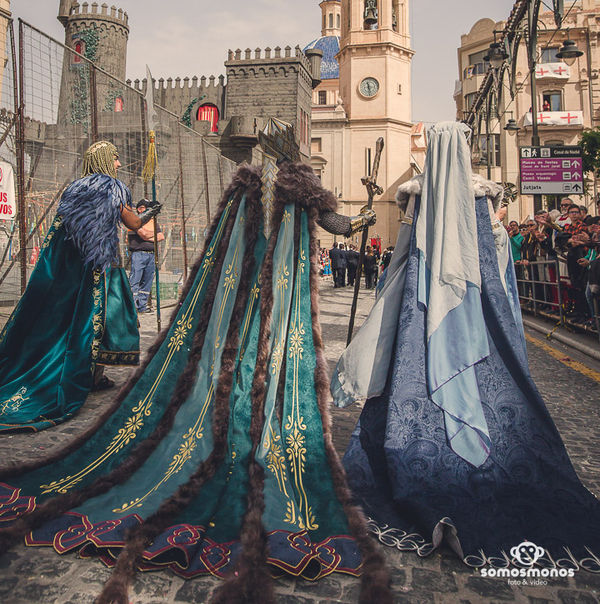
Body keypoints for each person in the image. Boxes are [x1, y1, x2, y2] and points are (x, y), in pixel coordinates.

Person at [0, 118, 389, 604]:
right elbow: (332, 223)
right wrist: (359, 221)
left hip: (231, 305)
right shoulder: (297, 182)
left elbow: (219, 254)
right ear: (290, 148)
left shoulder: (246, 186)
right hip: (277, 302)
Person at [332, 122, 600, 569]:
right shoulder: (483, 195)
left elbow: (404, 257)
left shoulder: (417, 195)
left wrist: (386, 297)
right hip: (478, 304)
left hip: (420, 309)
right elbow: (495, 252)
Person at [0, 141, 161, 432]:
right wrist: (151, 213)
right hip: (104, 268)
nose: (119, 164)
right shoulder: (114, 188)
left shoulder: (74, 189)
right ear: (104, 160)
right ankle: (95, 378)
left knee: (77, 322)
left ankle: (85, 375)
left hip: (73, 270)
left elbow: (61, 235)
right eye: (115, 158)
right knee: (111, 320)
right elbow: (133, 223)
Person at [128, 198, 165, 313]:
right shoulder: (134, 221)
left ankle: (142, 306)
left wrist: (150, 235)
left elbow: (161, 237)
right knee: (135, 280)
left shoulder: (153, 222)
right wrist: (153, 235)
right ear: (140, 209)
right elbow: (143, 235)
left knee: (147, 281)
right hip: (139, 254)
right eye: (146, 208)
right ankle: (132, 307)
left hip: (151, 255)